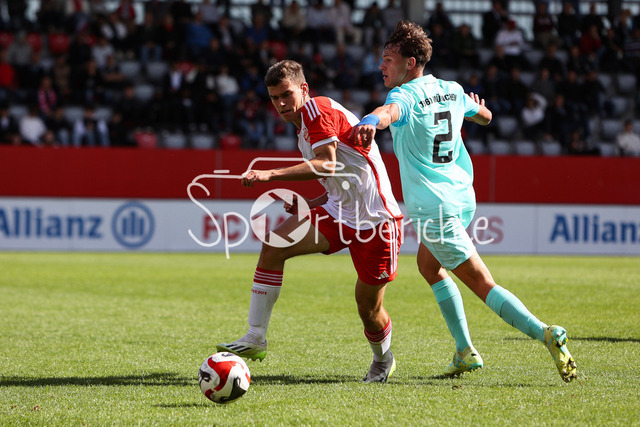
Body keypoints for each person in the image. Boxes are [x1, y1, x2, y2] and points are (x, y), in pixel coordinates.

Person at [351, 21, 578, 382]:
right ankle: (464, 351)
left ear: (410, 63)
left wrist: (368, 120)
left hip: (433, 207)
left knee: (483, 284)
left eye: (388, 60)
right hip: (461, 197)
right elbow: (485, 116)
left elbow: (387, 113)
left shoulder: (403, 96)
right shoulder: (451, 89)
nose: (381, 66)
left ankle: (546, 333)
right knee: (428, 266)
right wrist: (477, 109)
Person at [216, 59, 404, 383]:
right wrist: (312, 203)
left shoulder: (318, 110)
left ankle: (383, 360)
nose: (281, 103)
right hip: (338, 212)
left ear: (303, 89)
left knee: (368, 308)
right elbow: (340, 178)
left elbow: (327, 165)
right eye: (274, 98)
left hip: (376, 220)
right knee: (273, 245)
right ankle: (255, 337)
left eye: (286, 94)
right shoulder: (304, 127)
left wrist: (270, 174)